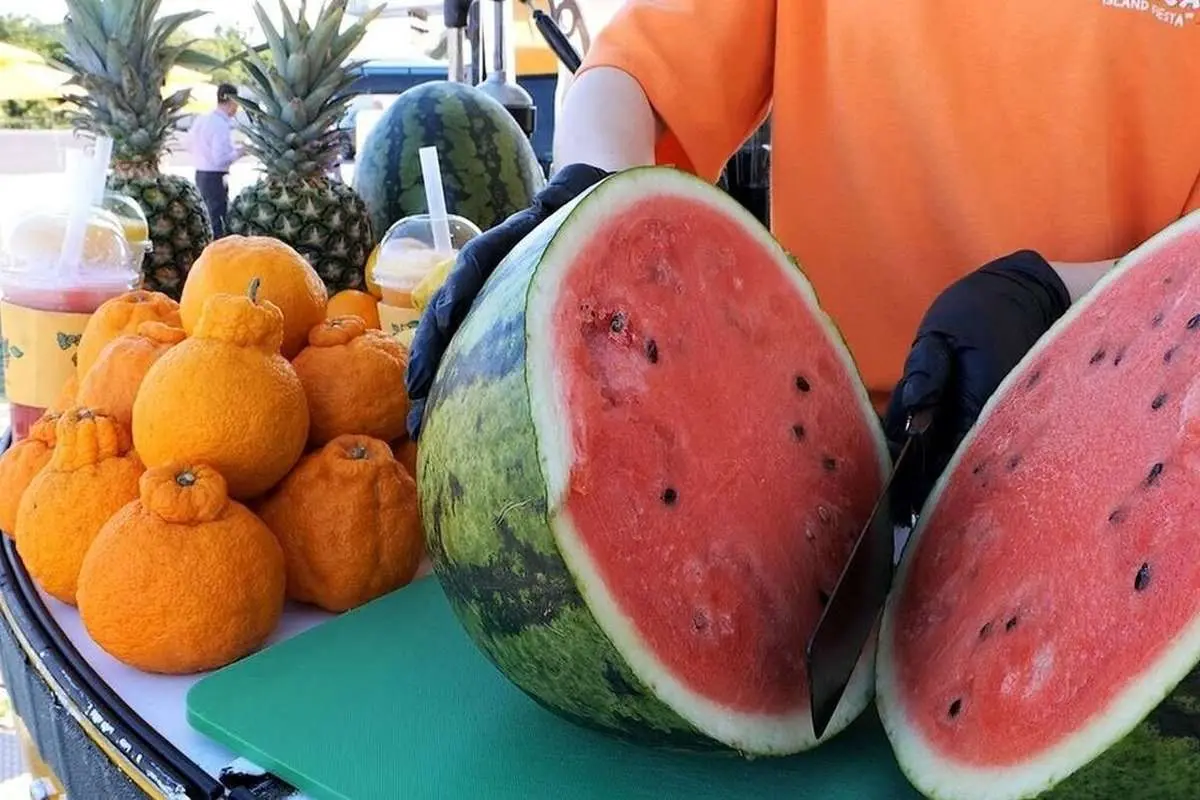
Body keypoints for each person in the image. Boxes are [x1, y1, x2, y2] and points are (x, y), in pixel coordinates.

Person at [406, 1, 1200, 521]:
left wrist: (1062, 296)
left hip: (1131, 454)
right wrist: (590, 195)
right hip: (821, 473)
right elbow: (638, 67)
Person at [190, 83, 245, 239]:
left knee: (206, 216)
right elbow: (220, 159)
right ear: (231, 101)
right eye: (237, 104)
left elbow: (189, 142)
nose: (237, 109)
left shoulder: (202, 119)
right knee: (218, 219)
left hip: (200, 173)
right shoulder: (220, 125)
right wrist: (240, 152)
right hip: (215, 177)